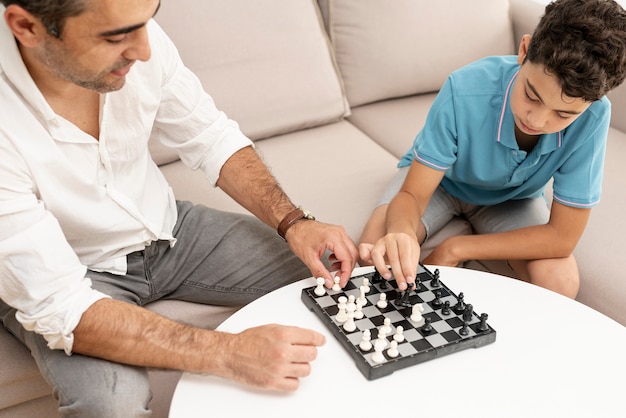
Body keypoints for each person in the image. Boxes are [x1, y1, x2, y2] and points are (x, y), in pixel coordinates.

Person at [0, 0, 359, 415]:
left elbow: (209, 135)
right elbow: (61, 307)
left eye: (147, 23)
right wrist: (230, 353)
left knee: (340, 282)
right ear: (26, 27)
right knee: (111, 406)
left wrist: (294, 221)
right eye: (115, 36)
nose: (144, 50)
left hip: (170, 231)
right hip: (71, 270)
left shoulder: (135, 37)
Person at [358, 0, 626, 298]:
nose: (536, 120)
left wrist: (456, 248)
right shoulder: (464, 88)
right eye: (531, 95)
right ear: (524, 52)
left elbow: (562, 238)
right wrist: (402, 233)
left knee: (559, 281)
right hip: (441, 183)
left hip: (512, 200)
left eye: (563, 115)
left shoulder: (595, 115)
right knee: (375, 250)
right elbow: (411, 195)